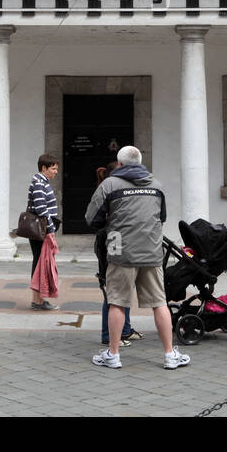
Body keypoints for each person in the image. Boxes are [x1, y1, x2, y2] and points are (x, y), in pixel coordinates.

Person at [86, 145, 189, 370]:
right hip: (151, 251)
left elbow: (91, 217)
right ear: (140, 162)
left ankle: (113, 354)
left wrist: (111, 223)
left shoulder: (109, 184)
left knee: (117, 302)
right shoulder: (156, 185)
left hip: (119, 249)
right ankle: (170, 354)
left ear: (119, 163)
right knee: (159, 303)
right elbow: (162, 217)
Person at [93, 160, 140, 347]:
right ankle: (108, 335)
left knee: (125, 288)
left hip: (120, 241)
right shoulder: (109, 192)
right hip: (112, 241)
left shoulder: (116, 190)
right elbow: (95, 219)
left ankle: (125, 330)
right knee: (114, 291)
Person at [27, 154, 60, 310]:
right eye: (53, 169)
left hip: (42, 228)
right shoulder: (39, 183)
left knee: (40, 262)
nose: (55, 172)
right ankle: (37, 301)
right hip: (41, 229)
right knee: (40, 262)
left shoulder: (41, 182)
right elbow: (41, 209)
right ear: (44, 168)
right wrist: (50, 229)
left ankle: (38, 300)